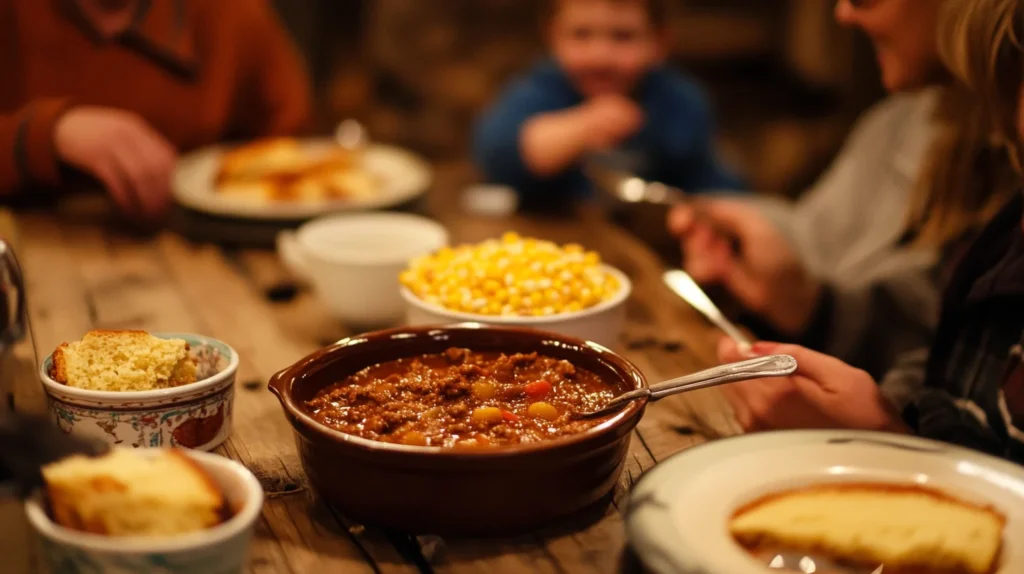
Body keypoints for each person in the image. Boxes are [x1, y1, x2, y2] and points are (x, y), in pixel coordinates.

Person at [718, 0, 1024, 464]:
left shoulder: (1003, 172)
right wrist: (805, 304)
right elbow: (944, 368)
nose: (843, 14)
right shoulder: (901, 120)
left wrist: (892, 445)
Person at [0, 0, 312, 221]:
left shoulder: (232, 14)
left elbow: (298, 148)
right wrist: (47, 134)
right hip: (34, 258)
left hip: (198, 265)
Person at [472, 0, 744, 208]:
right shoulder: (542, 87)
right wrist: (581, 127)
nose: (600, 56)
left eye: (623, 36)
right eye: (581, 34)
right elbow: (495, 151)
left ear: (659, 43)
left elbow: (709, 182)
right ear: (553, 38)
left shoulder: (679, 100)